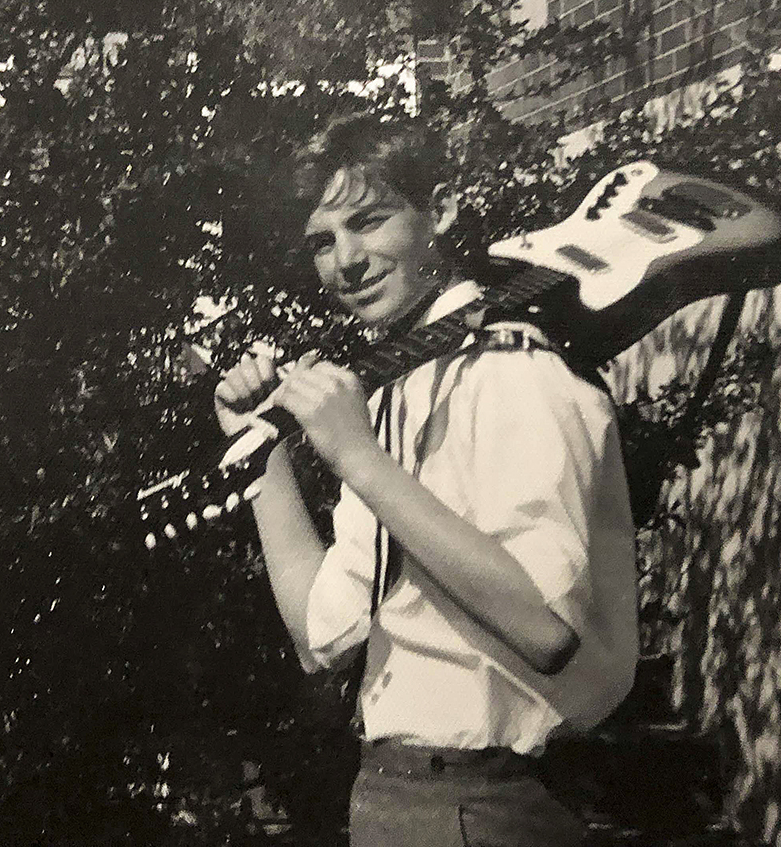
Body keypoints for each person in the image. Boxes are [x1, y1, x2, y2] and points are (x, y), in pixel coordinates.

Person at [213, 112, 639, 846]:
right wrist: (261, 452)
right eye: (323, 241)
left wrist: (359, 461)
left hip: (485, 801)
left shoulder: (514, 371)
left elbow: (548, 628)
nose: (346, 261)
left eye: (369, 222)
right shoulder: (392, 390)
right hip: (393, 789)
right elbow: (321, 637)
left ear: (438, 210)